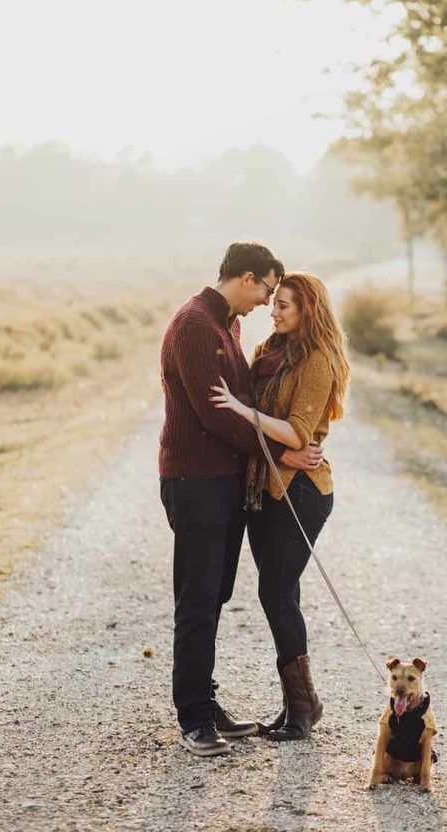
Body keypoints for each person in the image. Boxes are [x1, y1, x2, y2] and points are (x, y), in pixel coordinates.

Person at [158, 243, 324, 757]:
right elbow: (215, 414)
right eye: (267, 291)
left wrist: (281, 445)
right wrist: (281, 452)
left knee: (215, 595)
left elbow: (246, 403)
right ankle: (193, 720)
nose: (267, 303)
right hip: (195, 483)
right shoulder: (194, 325)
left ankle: (207, 706)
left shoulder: (226, 324)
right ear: (247, 278)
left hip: (223, 484)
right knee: (198, 598)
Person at [209, 272, 350, 741]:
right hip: (263, 489)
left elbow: (296, 433)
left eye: (285, 305)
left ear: (308, 309)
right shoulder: (268, 352)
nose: (275, 311)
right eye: (274, 304)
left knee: (275, 590)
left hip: (302, 492)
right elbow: (269, 432)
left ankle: (302, 707)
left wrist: (239, 409)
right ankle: (300, 705)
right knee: (280, 593)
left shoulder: (317, 361)